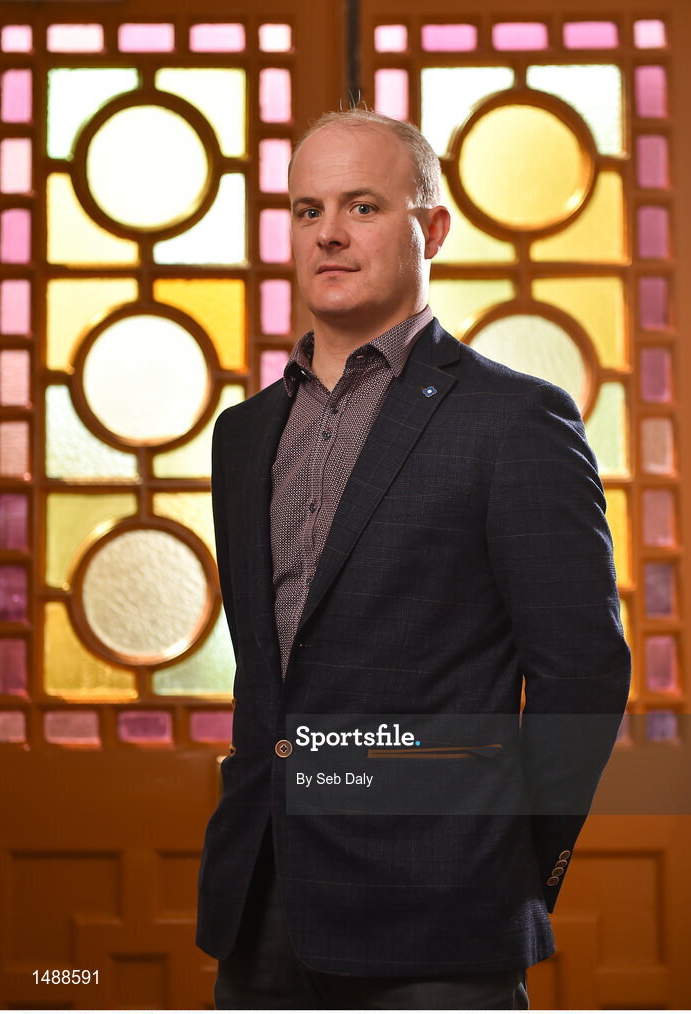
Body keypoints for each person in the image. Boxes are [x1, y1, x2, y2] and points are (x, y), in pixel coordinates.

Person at [196, 108, 631, 1009]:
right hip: (263, 901)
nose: (330, 234)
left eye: (362, 206)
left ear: (430, 228)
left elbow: (582, 673)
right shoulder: (243, 436)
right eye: (307, 210)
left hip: (445, 914)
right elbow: (267, 677)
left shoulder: (515, 422)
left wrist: (510, 864)